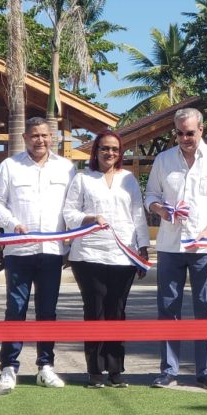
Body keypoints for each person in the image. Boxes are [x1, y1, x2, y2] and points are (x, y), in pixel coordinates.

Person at [145, 107, 207, 390]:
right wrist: (163, 211)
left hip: (204, 248)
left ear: (201, 130)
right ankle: (169, 370)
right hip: (170, 246)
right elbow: (151, 196)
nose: (185, 138)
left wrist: (206, 232)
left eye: (190, 133)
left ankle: (205, 371)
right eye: (180, 133)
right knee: (168, 308)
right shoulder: (163, 159)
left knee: (205, 309)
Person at [0, 116, 76, 389]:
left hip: (52, 251)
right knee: (15, 308)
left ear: (53, 138)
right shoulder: (9, 166)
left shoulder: (66, 168)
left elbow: (72, 207)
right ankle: (9, 366)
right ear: (25, 138)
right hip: (19, 250)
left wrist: (71, 243)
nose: (40, 140)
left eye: (45, 135)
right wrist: (12, 223)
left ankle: (45, 365)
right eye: (35, 136)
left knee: (47, 311)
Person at [63, 130, 150, 389]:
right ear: (96, 151)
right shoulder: (82, 178)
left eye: (114, 149)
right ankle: (95, 372)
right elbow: (69, 212)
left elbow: (138, 214)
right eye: (104, 148)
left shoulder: (129, 179)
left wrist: (142, 249)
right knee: (95, 311)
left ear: (119, 152)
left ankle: (115, 370)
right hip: (89, 255)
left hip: (123, 256)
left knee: (117, 311)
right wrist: (90, 218)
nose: (109, 153)